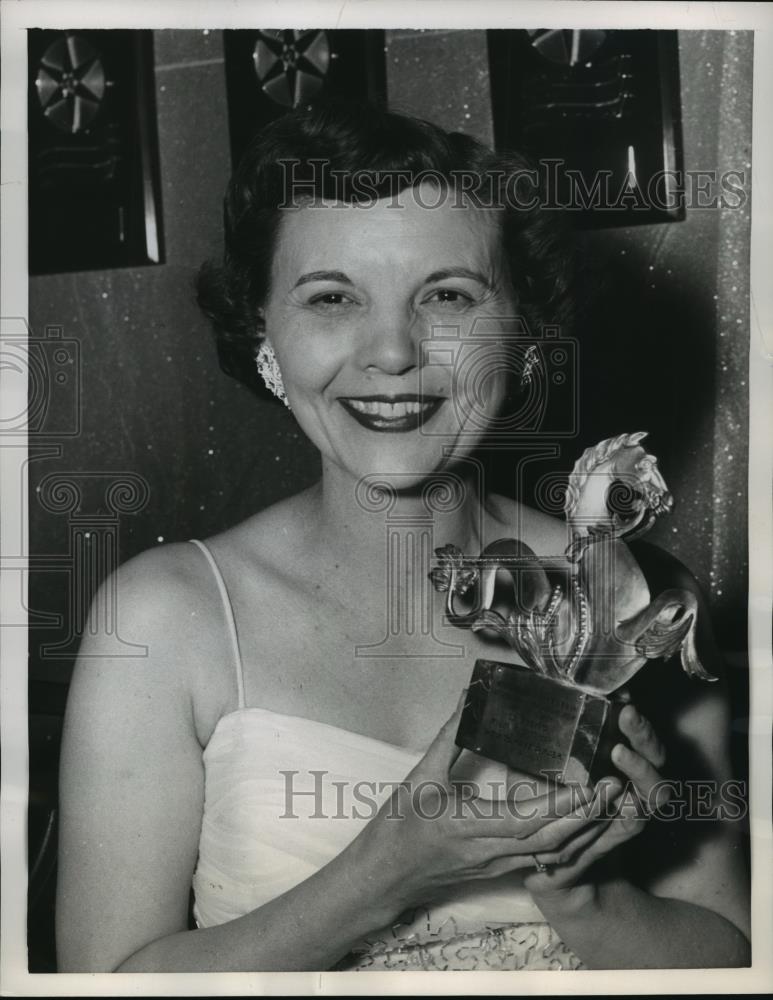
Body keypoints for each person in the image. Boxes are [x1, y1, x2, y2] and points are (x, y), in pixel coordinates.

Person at [56, 101, 750, 973]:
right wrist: (391, 866)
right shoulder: (163, 619)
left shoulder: (627, 602)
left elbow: (730, 959)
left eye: (448, 296)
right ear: (263, 333)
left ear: (524, 338)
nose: (390, 352)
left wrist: (583, 894)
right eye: (332, 298)